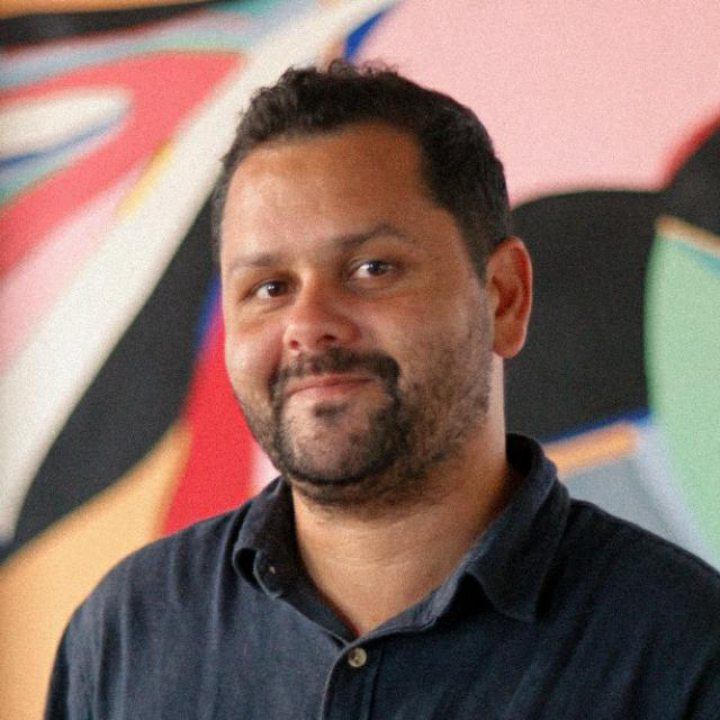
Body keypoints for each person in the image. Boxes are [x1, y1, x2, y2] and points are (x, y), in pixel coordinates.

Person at [45, 60, 720, 719]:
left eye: (371, 269)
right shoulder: (125, 638)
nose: (308, 325)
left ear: (504, 297)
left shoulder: (684, 648)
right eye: (269, 287)